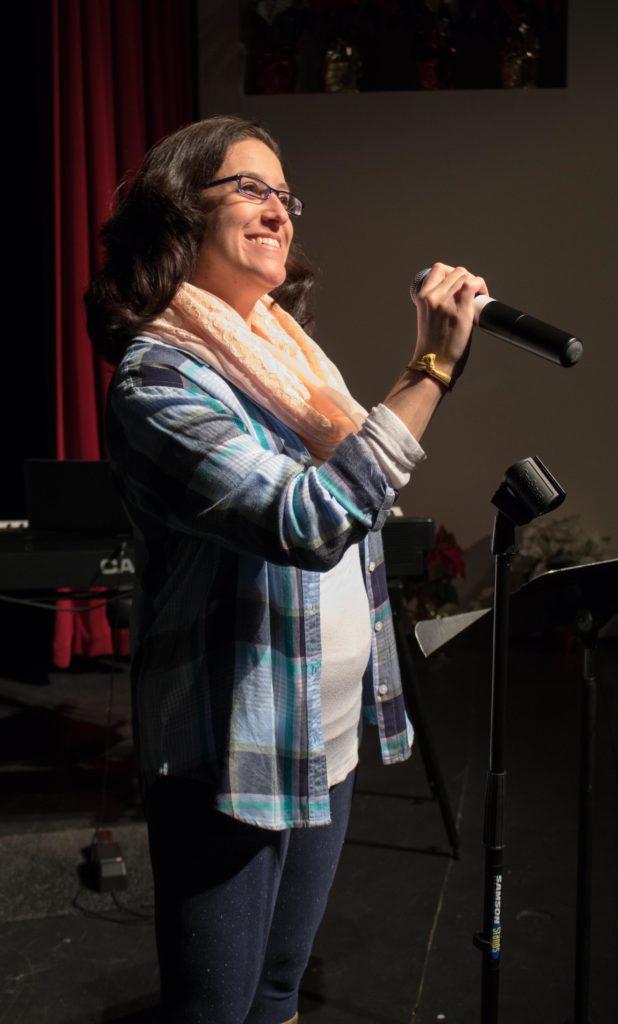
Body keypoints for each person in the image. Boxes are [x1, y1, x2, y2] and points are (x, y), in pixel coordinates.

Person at [86, 114, 487, 1024]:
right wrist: (428, 365)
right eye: (249, 189)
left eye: (284, 195)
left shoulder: (285, 357)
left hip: (323, 720)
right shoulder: (162, 377)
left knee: (278, 988)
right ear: (180, 212)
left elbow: (359, 503)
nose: (277, 211)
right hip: (234, 739)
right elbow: (309, 520)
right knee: (217, 1011)